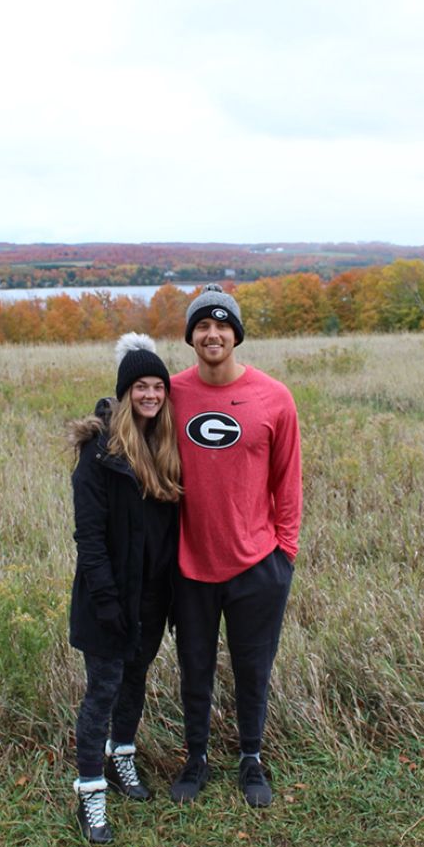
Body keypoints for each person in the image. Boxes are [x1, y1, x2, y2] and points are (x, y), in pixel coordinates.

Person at [167, 283, 302, 808]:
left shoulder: (275, 397)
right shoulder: (172, 393)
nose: (212, 333)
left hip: (257, 566)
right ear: (191, 337)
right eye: (202, 325)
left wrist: (284, 556)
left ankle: (252, 759)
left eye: (222, 325)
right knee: (193, 668)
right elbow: (131, 428)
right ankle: (195, 757)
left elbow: (287, 483)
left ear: (236, 334)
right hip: (189, 565)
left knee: (253, 667)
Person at [67, 332, 181, 844]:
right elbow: (88, 538)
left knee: (134, 683)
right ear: (125, 390)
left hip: (152, 598)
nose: (151, 395)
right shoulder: (100, 453)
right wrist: (108, 602)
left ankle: (123, 759)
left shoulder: (166, 446)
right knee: (102, 692)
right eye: (141, 386)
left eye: (158, 385)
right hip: (107, 601)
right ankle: (91, 793)